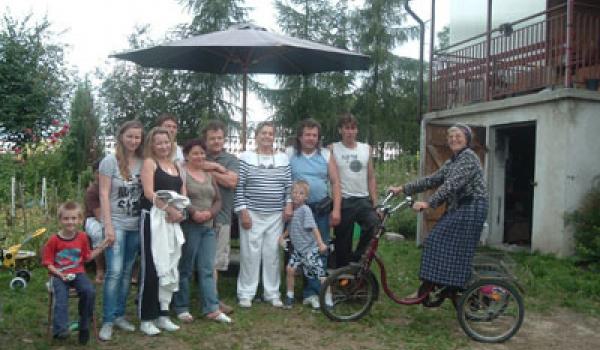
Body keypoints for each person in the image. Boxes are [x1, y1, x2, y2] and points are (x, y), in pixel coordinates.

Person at [389, 123, 488, 298]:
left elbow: (451, 185)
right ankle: (435, 285)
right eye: (450, 137)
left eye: (458, 136)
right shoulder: (453, 161)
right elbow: (432, 180)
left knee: (437, 240)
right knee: (438, 242)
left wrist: (428, 203)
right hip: (461, 207)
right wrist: (403, 188)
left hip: (472, 207)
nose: (453, 139)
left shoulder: (468, 157)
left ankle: (435, 285)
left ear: (467, 139)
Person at [173, 139, 232, 324]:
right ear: (187, 155)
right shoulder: (182, 174)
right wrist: (194, 213)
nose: (199, 156)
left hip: (208, 228)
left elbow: (218, 200)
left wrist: (210, 214)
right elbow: (180, 198)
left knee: (207, 269)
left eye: (201, 153)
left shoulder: (209, 175)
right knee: (186, 268)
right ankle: (181, 307)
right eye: (195, 153)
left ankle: (212, 308)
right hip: (190, 226)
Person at [234, 121, 292, 308]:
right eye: (263, 133)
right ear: (256, 136)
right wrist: (243, 211)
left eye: (270, 133)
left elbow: (288, 187)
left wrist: (288, 205)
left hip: (275, 214)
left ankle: (272, 293)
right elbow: (239, 186)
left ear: (274, 137)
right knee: (250, 254)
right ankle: (246, 293)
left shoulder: (283, 158)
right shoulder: (245, 157)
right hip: (251, 213)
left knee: (272, 253)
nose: (267, 136)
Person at [286, 118, 341, 305]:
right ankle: (300, 292)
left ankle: (318, 291)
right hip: (298, 212)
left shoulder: (326, 154)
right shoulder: (289, 154)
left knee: (320, 249)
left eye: (314, 135)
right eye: (307, 134)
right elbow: (284, 182)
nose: (311, 138)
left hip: (320, 210)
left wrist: (337, 210)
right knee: (298, 249)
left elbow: (335, 183)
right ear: (300, 137)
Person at [98, 120, 144, 341]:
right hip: (116, 223)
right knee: (114, 272)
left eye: (137, 137)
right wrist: (108, 226)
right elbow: (104, 194)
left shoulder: (143, 162)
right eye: (130, 136)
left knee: (127, 272)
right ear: (121, 137)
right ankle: (107, 320)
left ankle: (119, 315)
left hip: (135, 225)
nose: (134, 141)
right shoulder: (109, 162)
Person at [139, 127, 186, 335]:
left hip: (172, 221)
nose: (163, 146)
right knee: (152, 267)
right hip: (153, 220)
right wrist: (167, 209)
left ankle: (163, 313)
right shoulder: (150, 163)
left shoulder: (176, 165)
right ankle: (146, 317)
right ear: (152, 145)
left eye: (166, 142)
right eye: (158, 143)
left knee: (170, 265)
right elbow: (149, 192)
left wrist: (180, 211)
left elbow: (182, 192)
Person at [42, 201, 109, 345]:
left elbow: (87, 257)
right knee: (61, 296)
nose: (70, 222)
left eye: (73, 218)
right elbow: (48, 263)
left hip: (78, 273)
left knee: (89, 291)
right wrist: (60, 274)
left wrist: (102, 245)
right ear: (60, 220)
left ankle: (84, 325)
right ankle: (60, 329)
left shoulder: (82, 237)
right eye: (66, 219)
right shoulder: (54, 240)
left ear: (80, 220)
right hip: (58, 274)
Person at [330, 113, 379, 268]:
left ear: (357, 130)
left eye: (353, 128)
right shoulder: (332, 149)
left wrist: (375, 202)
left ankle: (356, 261)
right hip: (343, 200)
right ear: (340, 130)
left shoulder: (366, 149)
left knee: (373, 225)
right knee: (343, 240)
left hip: (363, 199)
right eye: (346, 128)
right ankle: (342, 276)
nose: (350, 132)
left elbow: (371, 177)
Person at [201, 120, 239, 315]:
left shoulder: (231, 159)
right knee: (200, 260)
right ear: (205, 140)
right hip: (197, 216)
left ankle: (212, 300)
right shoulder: (199, 155)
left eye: (219, 138)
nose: (216, 141)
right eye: (212, 138)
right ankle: (210, 300)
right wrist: (215, 167)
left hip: (221, 217)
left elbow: (232, 182)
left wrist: (208, 170)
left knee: (215, 261)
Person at [280, 181, 328, 309]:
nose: (297, 195)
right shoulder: (293, 211)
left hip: (309, 250)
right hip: (298, 251)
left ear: (306, 197)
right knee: (290, 269)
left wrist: (321, 243)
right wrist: (282, 237)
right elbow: (290, 228)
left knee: (320, 274)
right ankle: (289, 297)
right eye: (294, 192)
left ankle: (327, 300)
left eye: (301, 193)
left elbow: (313, 228)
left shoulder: (305, 210)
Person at [84, 160, 105, 284]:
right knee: (98, 233)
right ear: (94, 174)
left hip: (112, 217)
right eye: (98, 172)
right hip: (93, 218)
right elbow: (99, 215)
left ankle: (133, 270)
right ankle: (100, 269)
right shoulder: (92, 191)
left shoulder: (113, 185)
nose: (101, 175)